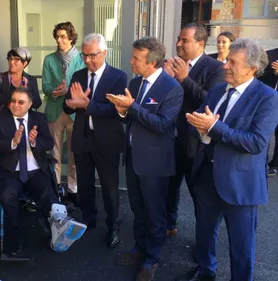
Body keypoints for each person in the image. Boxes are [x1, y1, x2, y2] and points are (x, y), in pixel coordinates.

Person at [176, 38, 278, 281]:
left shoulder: (266, 97)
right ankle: (205, 270)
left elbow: (256, 143)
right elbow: (198, 122)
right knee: (204, 231)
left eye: (233, 62)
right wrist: (202, 130)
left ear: (252, 68)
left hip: (240, 183)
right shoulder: (218, 90)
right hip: (206, 177)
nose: (225, 66)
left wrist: (213, 128)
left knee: (241, 244)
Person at [108, 37, 183, 281]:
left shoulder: (172, 88)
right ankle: (139, 249)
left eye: (136, 59)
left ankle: (152, 259)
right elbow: (130, 119)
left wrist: (132, 107)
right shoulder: (135, 82)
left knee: (155, 213)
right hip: (133, 159)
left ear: (152, 62)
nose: (131, 62)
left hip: (155, 163)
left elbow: (162, 125)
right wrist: (122, 112)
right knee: (138, 209)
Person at [0, 87, 87, 261]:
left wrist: (34, 142)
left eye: (20, 102)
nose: (15, 105)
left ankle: (59, 221)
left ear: (30, 104)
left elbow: (49, 143)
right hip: (11, 172)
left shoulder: (38, 118)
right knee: (6, 195)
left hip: (34, 170)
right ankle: (17, 238)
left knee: (46, 192)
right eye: (13, 101)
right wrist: (13, 142)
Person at [63, 33, 127, 248]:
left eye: (92, 55)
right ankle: (89, 220)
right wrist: (71, 105)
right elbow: (67, 104)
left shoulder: (118, 77)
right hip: (82, 138)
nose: (88, 60)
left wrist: (87, 104)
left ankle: (112, 226)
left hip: (107, 141)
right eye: (84, 55)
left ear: (104, 53)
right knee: (84, 185)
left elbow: (116, 110)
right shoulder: (78, 75)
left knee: (109, 188)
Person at [163, 23, 225, 237]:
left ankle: (203, 238)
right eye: (178, 39)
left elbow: (210, 101)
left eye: (184, 40)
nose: (178, 44)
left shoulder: (215, 68)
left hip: (195, 145)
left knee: (198, 194)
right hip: (170, 140)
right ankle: (169, 225)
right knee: (169, 188)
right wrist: (165, 79)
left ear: (200, 43)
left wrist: (184, 79)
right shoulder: (171, 64)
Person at [42, 22, 85, 207]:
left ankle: (73, 190)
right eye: (57, 36)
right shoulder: (49, 59)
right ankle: (57, 188)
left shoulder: (82, 58)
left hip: (76, 112)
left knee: (74, 154)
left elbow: (86, 84)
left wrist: (68, 90)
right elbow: (45, 86)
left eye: (63, 36)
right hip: (55, 110)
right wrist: (55, 91)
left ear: (71, 37)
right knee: (55, 153)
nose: (59, 40)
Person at [0, 47, 42, 123]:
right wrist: (17, 91)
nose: (12, 62)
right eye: (10, 59)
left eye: (16, 59)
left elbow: (37, 103)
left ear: (25, 63)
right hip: (2, 119)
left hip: (23, 120)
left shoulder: (31, 80)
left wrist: (26, 92)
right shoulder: (1, 77)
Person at [259, 48, 278, 176]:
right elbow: (259, 75)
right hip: (267, 101)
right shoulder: (270, 54)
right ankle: (261, 164)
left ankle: (275, 164)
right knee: (263, 133)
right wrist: (273, 72)